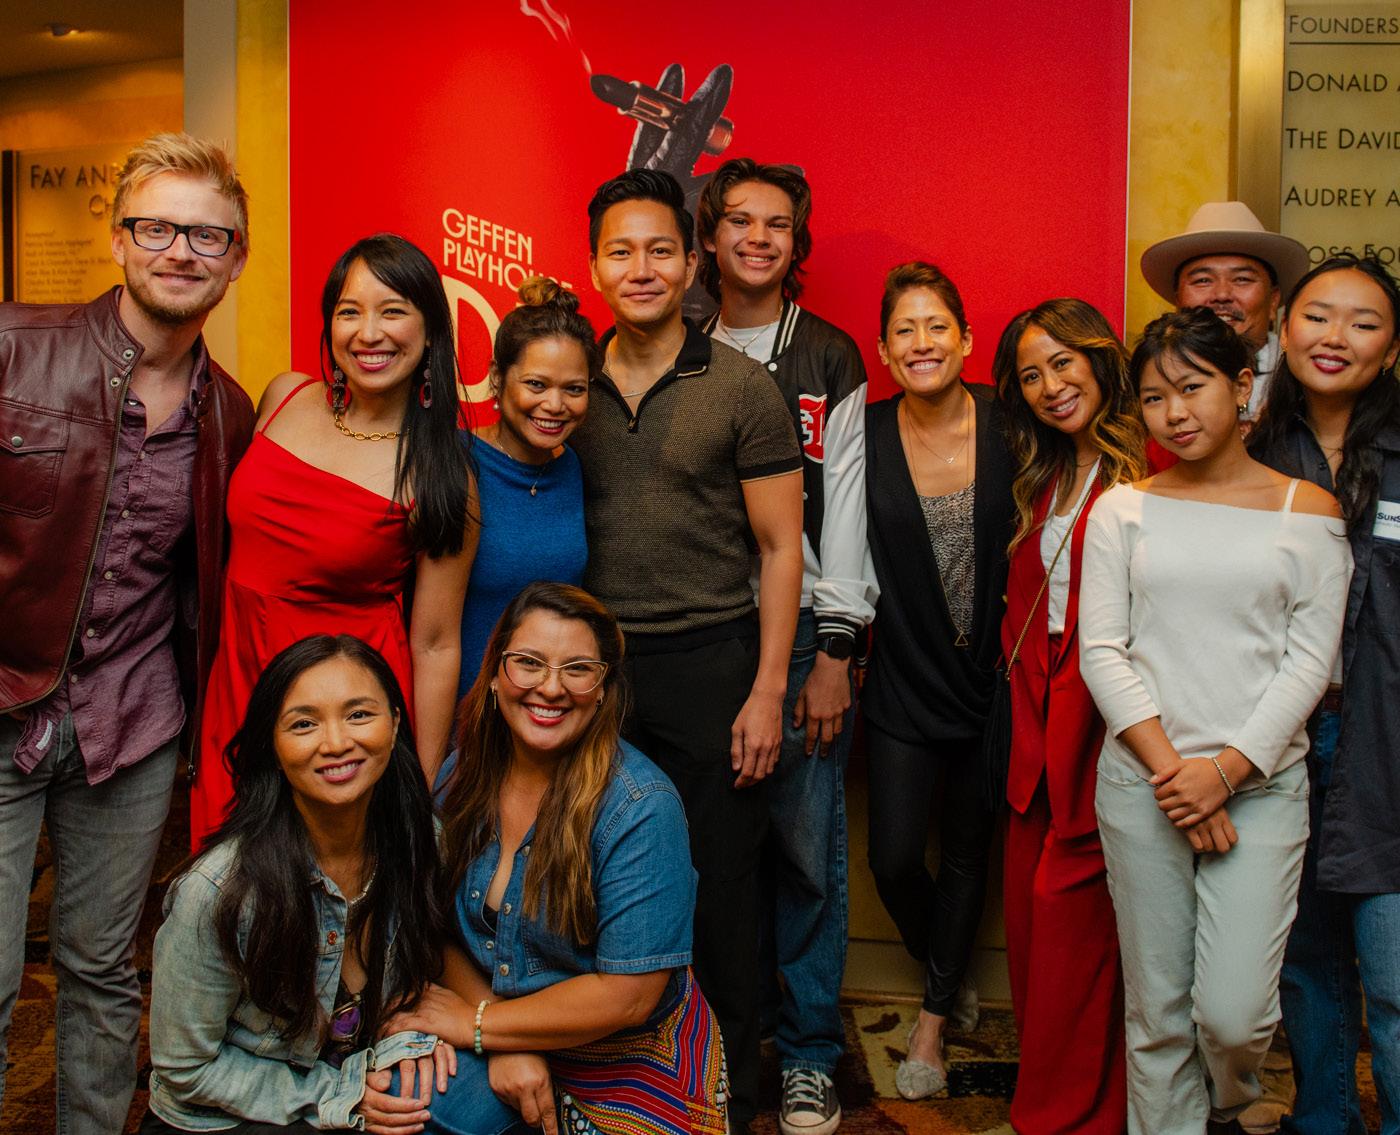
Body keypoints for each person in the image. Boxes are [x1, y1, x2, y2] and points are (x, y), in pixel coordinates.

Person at [0, 132, 255, 1133]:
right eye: (157, 228)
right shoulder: (14, 348)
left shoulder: (229, 412)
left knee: (104, 971)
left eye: (206, 235)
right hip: (6, 701)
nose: (180, 250)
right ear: (118, 239)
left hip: (133, 723)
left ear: (236, 258)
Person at [568, 168, 804, 1132]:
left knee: (721, 891)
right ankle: (618, 1091)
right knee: (596, 885)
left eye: (660, 249)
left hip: (713, 665)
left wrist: (768, 689)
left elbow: (782, 548)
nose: (642, 268)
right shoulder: (566, 383)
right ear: (593, 265)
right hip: (591, 676)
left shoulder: (743, 387)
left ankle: (726, 1099)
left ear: (692, 259)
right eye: (620, 250)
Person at [1079, 307, 1351, 1135]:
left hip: (1260, 791)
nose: (1176, 412)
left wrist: (1224, 773)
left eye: (1193, 387)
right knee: (1158, 1012)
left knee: (1235, 1015)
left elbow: (1310, 665)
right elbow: (1102, 652)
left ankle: (1230, 1096)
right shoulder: (1121, 510)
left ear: (1241, 386)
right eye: (1155, 397)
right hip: (1145, 785)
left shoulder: (1309, 511)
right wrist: (1178, 777)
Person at [388, 582, 727, 1135]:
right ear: (495, 673)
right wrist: (500, 1038)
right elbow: (439, 930)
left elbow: (627, 998)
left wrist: (481, 1026)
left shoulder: (642, 806)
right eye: (529, 663)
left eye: (578, 669)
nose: (550, 687)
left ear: (603, 689)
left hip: (625, 1051)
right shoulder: (459, 777)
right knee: (403, 1103)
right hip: (499, 1021)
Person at [694, 157, 876, 1135]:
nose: (758, 238)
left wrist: (836, 648)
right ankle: (711, 1042)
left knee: (807, 852)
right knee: (706, 848)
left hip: (803, 629)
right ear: (709, 236)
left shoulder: (828, 356)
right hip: (700, 627)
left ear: (795, 242)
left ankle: (806, 1053)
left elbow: (844, 508)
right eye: (739, 220)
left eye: (776, 224)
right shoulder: (676, 342)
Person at [193, 233, 476, 843]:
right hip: (237, 680)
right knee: (224, 871)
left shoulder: (439, 470)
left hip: (339, 713)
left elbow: (434, 643)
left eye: (393, 311)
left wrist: (421, 787)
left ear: (431, 331)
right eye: (350, 311)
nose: (369, 333)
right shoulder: (284, 395)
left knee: (324, 875)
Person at [143, 634, 452, 1134]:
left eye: (359, 714)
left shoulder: (421, 844)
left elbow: (429, 973)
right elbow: (185, 1067)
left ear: (395, 724)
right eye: (304, 723)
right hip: (223, 1117)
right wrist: (343, 1094)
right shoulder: (218, 891)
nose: (336, 743)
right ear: (272, 743)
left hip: (347, 1082)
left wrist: (416, 1040)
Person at [992, 299, 1151, 1133]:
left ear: (1100, 358)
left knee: (1079, 934)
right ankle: (1051, 1097)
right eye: (1031, 374)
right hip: (1034, 730)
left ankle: (1072, 1116)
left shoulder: (1152, 469)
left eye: (1063, 362)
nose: (1050, 385)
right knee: (1031, 928)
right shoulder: (1043, 475)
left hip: (1105, 730)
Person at [1250, 255, 1400, 1135]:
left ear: (1392, 348)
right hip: (1284, 740)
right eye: (1317, 315)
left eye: (1363, 322)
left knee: (1393, 978)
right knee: (1305, 967)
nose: (1335, 336)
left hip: (1389, 743)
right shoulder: (1252, 452)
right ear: (1284, 329)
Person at [863, 261, 1016, 1100]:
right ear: (886, 351)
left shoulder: (1010, 420)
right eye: (904, 330)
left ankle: (932, 1018)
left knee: (965, 852)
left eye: (937, 326)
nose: (922, 342)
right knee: (892, 858)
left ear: (965, 338)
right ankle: (943, 964)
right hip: (902, 677)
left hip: (991, 682)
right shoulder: (863, 432)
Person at [458, 276, 593, 693]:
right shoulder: (459, 460)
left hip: (549, 703)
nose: (554, 405)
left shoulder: (571, 466)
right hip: (469, 706)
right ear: (497, 377)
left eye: (574, 389)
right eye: (536, 384)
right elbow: (431, 638)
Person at [1140, 201, 1309, 425]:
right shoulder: (1149, 379)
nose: (1221, 295)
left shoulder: (1304, 381)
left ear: (1274, 300)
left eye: (1242, 279)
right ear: (1178, 301)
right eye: (1203, 280)